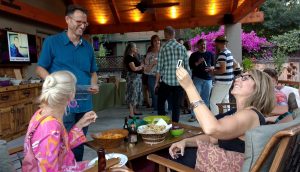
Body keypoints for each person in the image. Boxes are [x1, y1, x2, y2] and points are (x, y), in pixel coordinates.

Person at [169, 68, 275, 171]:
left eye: (245, 78)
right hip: (224, 162)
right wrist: (185, 141)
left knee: (168, 157)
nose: (237, 79)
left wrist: (189, 87)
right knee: (178, 152)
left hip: (229, 166)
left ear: (258, 88)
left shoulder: (250, 115)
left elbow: (212, 128)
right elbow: (212, 138)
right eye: (240, 76)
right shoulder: (241, 113)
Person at [36, 5, 99, 161]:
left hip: (84, 103)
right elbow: (40, 68)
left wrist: (95, 84)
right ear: (67, 20)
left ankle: (74, 167)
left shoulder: (88, 47)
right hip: (63, 103)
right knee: (62, 142)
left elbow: (93, 72)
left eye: (85, 23)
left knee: (78, 142)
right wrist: (54, 83)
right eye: (79, 21)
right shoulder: (52, 42)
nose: (83, 26)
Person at [22, 71, 97, 171]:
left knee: (101, 163)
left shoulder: (40, 114)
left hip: (64, 165)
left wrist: (80, 124)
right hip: (64, 168)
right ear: (71, 95)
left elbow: (61, 147)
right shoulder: (50, 128)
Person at [155, 26, 190, 122]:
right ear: (174, 34)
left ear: (166, 34)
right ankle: (175, 126)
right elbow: (186, 67)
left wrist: (156, 83)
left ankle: (162, 123)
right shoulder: (182, 48)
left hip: (166, 82)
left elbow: (159, 68)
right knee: (176, 106)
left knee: (160, 103)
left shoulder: (163, 48)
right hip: (179, 83)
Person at [188, 39, 214, 122]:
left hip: (208, 79)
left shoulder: (210, 54)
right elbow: (191, 67)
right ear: (198, 46)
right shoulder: (194, 55)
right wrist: (198, 62)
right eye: (202, 44)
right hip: (197, 79)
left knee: (206, 99)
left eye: (205, 44)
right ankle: (194, 115)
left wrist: (211, 68)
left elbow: (214, 66)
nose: (203, 46)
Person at [210, 35, 235, 115]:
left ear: (219, 43)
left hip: (222, 82)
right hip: (228, 81)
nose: (215, 45)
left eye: (216, 43)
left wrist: (213, 72)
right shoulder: (228, 52)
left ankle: (216, 121)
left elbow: (222, 70)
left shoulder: (222, 54)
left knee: (213, 102)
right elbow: (234, 65)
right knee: (225, 101)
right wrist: (215, 68)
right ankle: (228, 118)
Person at [123, 42, 144, 118]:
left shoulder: (134, 56)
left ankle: (134, 111)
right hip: (133, 78)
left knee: (136, 94)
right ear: (131, 49)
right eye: (135, 47)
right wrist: (141, 67)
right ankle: (131, 114)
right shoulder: (129, 57)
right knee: (132, 94)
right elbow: (134, 68)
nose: (136, 48)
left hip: (137, 78)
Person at [144, 35, 160, 112]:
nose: (157, 42)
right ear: (152, 43)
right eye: (155, 40)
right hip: (152, 77)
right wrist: (153, 63)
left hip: (163, 77)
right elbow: (146, 70)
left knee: (164, 95)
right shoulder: (149, 55)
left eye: (158, 40)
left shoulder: (164, 52)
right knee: (155, 95)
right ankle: (157, 111)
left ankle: (165, 111)